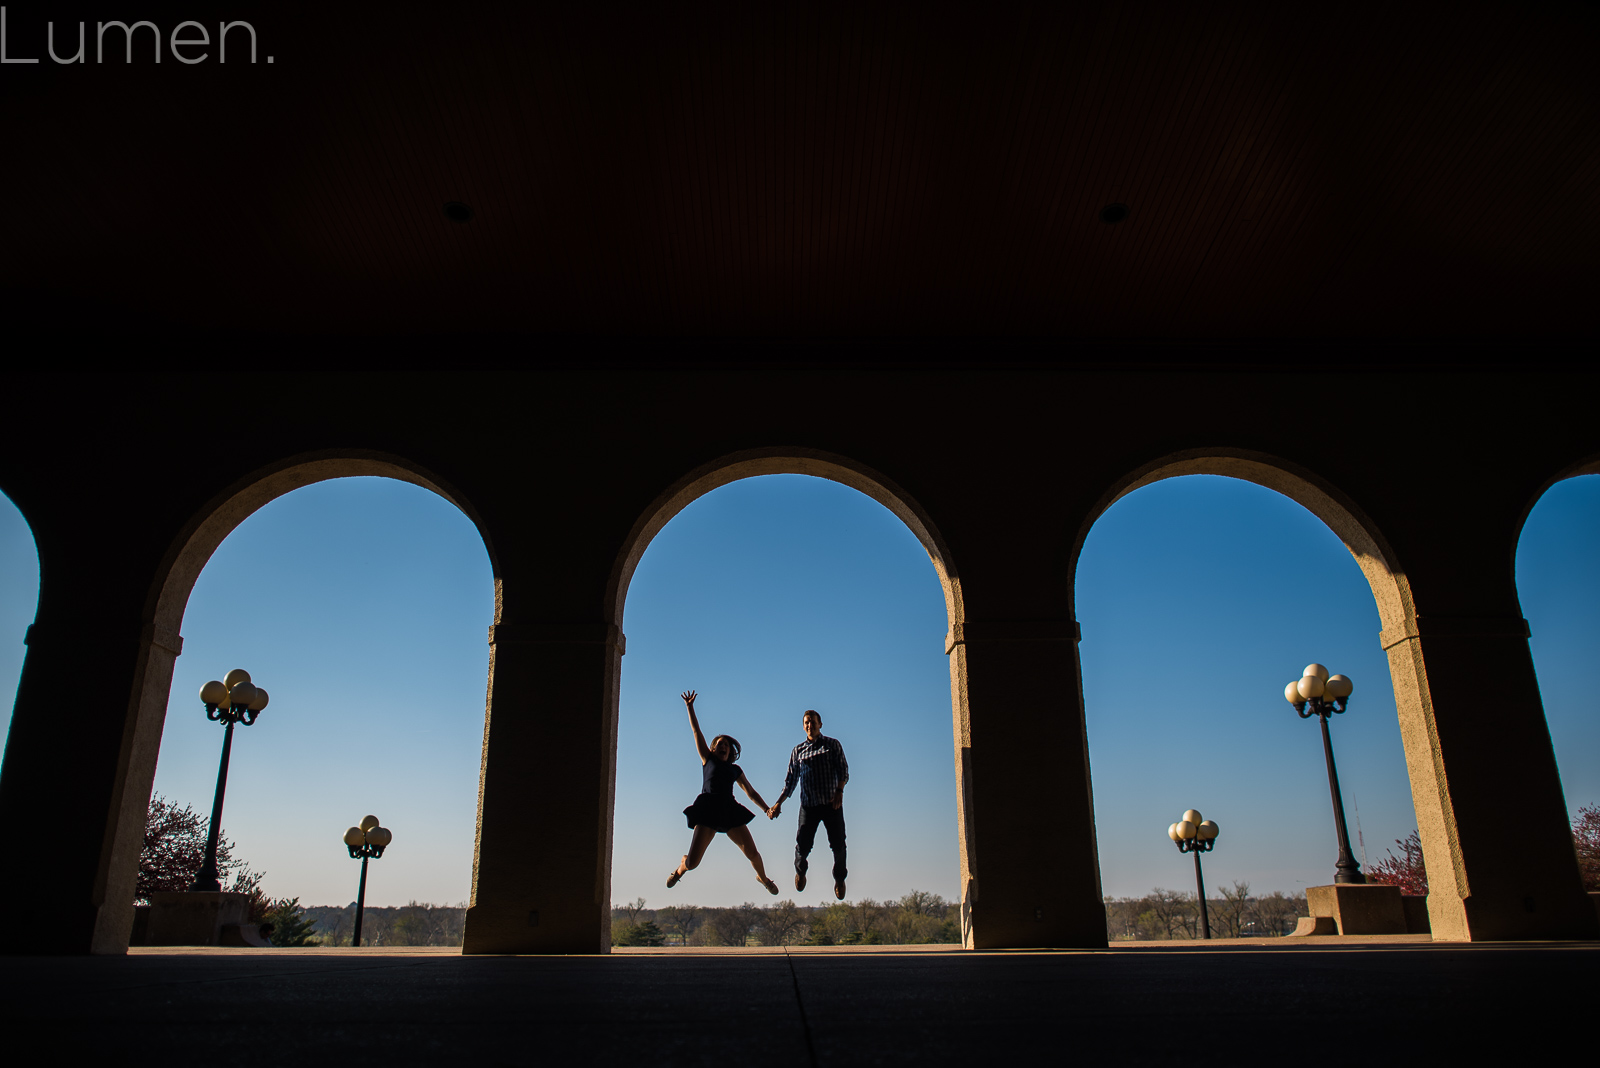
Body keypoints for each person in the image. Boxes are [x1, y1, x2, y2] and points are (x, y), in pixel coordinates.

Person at [666, 690, 780, 895]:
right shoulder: (707, 760)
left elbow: (751, 792)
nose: (723, 746)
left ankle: (763, 878)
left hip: (729, 811)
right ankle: (679, 869)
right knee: (692, 863)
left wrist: (766, 809)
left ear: (731, 752)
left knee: (753, 853)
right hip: (707, 810)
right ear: (712, 749)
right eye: (719, 744)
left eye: (726, 745)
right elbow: (696, 732)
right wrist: (690, 708)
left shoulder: (735, 770)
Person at [767, 709, 849, 899]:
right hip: (809, 806)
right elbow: (790, 781)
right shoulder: (798, 751)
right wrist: (778, 803)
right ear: (803, 726)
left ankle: (839, 878)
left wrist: (839, 791)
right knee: (802, 846)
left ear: (820, 724)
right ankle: (801, 871)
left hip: (831, 805)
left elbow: (843, 770)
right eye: (806, 723)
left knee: (838, 845)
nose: (809, 725)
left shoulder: (832, 745)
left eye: (812, 722)